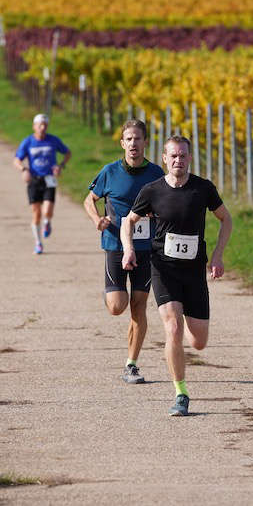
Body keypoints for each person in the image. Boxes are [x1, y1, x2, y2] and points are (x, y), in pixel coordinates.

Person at [122, 135, 232, 416]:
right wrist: (128, 250)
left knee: (199, 342)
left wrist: (218, 255)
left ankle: (187, 321)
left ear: (190, 158)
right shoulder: (152, 190)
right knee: (172, 329)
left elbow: (226, 219)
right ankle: (180, 392)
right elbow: (128, 221)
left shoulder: (203, 189)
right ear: (164, 158)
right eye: (173, 156)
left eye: (183, 156)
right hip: (164, 269)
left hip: (194, 272)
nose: (178, 161)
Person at [84, 119, 164, 384]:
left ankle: (132, 364)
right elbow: (89, 199)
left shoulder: (156, 173)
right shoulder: (109, 172)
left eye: (137, 139)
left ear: (145, 142)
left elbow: (167, 204)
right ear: (122, 144)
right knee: (118, 307)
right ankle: (112, 292)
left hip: (145, 249)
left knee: (138, 306)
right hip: (115, 246)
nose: (133, 144)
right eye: (128, 139)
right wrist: (97, 219)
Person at [13, 114, 71, 254]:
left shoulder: (53, 140)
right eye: (40, 125)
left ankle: (47, 223)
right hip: (34, 180)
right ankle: (38, 243)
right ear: (34, 126)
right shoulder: (28, 142)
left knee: (47, 211)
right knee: (36, 213)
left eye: (45, 125)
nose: (42, 127)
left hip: (49, 179)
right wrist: (24, 170)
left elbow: (67, 152)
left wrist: (60, 166)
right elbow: (16, 160)